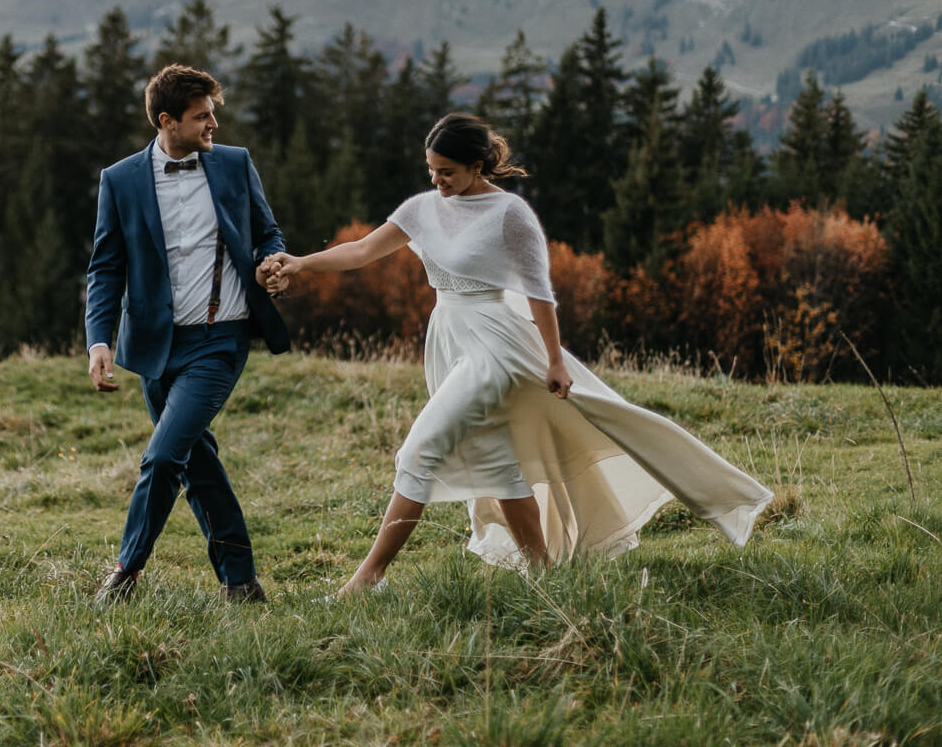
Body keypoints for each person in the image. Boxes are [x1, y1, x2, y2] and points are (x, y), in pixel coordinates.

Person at [268, 113, 772, 595]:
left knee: (418, 453)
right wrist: (301, 264)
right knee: (493, 460)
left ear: (478, 167)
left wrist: (554, 360)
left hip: (495, 348)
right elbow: (361, 251)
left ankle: (367, 579)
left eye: (448, 172)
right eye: (431, 171)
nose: (438, 181)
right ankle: (545, 573)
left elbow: (539, 294)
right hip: (448, 339)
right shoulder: (422, 208)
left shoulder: (511, 215)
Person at [85, 64, 290, 604]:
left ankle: (125, 573)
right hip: (154, 348)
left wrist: (272, 260)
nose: (213, 124)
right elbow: (105, 267)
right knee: (196, 461)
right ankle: (240, 583)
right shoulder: (121, 179)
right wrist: (99, 340)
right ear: (166, 121)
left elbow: (266, 230)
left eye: (214, 113)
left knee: (162, 456)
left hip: (220, 340)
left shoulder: (234, 164)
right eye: (202, 116)